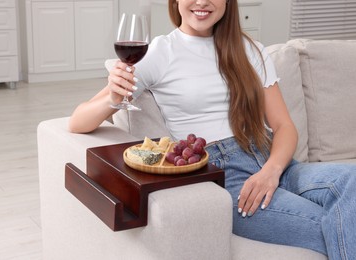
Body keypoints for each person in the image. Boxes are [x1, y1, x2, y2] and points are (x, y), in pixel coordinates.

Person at [69, 0, 356, 259]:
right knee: (338, 223)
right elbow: (78, 121)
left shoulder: (249, 49)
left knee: (351, 180)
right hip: (223, 176)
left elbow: (284, 126)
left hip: (273, 161)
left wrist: (270, 172)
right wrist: (113, 98)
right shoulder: (159, 52)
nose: (203, 2)